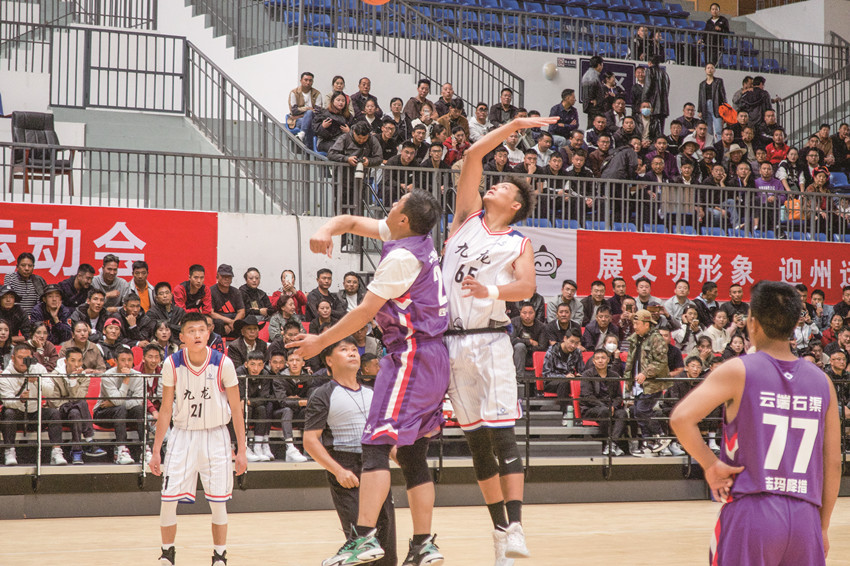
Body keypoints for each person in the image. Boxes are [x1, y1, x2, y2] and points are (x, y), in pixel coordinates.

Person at [291, 189, 449, 566]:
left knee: (376, 444)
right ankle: (423, 543)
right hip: (435, 356)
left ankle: (363, 538)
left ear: (404, 219)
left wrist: (320, 342)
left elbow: (364, 313)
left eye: (397, 203)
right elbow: (348, 221)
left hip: (411, 355)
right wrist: (326, 229)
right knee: (412, 453)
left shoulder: (400, 258)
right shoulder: (416, 238)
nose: (391, 204)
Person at [442, 116, 554, 566]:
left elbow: (526, 288)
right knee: (476, 445)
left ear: (515, 204)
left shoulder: (518, 242)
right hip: (451, 343)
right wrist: (517, 124)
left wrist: (489, 291)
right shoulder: (465, 219)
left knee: (502, 435)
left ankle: (518, 525)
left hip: (490, 341)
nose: (495, 184)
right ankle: (499, 532)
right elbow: (473, 154)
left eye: (504, 186)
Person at [671, 281, 840, 566]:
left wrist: (711, 465)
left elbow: (680, 418)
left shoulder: (738, 370)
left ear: (753, 323)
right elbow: (833, 463)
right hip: (806, 515)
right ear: (794, 324)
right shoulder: (823, 382)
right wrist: (821, 527)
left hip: (752, 511)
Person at [149, 312, 248, 566]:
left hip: (216, 435)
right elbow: (166, 409)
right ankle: (167, 552)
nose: (196, 335)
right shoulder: (172, 363)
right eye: (191, 331)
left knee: (218, 502)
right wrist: (156, 450)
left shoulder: (223, 363)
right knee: (168, 498)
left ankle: (219, 555)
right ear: (182, 337)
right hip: (183, 435)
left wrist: (242, 450)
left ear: (208, 333)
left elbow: (237, 409)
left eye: (201, 330)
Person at [303, 337, 397, 566]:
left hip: (377, 466)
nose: (352, 353)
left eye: (354, 349)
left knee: (386, 541)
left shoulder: (373, 393)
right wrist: (338, 471)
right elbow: (310, 441)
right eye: (344, 350)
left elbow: (385, 437)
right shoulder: (322, 394)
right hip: (347, 468)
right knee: (360, 544)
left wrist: (404, 459)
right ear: (329, 360)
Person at [1, 343, 62, 466]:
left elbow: (50, 392)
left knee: (54, 413)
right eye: (20, 357)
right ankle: (9, 451)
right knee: (8, 413)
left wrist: (36, 382)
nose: (23, 361)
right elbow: (7, 401)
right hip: (17, 413)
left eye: (27, 358)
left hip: (35, 412)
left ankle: (56, 452)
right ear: (13, 358)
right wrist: (20, 400)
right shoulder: (5, 375)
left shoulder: (39, 369)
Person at [624, 309, 672, 455]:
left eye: (637, 324)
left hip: (652, 383)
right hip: (637, 383)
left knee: (642, 410)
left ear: (646, 324)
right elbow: (630, 361)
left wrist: (645, 373)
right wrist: (628, 381)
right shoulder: (635, 338)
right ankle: (647, 444)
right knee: (638, 413)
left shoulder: (656, 338)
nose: (634, 327)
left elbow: (661, 362)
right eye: (633, 323)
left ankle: (661, 436)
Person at [94, 346, 145, 465]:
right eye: (123, 360)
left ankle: (145, 448)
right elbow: (118, 402)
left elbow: (138, 401)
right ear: (116, 361)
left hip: (122, 413)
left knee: (139, 409)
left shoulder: (138, 376)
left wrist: (113, 403)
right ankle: (122, 450)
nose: (127, 363)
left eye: (129, 360)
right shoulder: (108, 376)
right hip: (103, 413)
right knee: (120, 408)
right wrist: (126, 379)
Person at [580, 348, 627, 456]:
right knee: (605, 411)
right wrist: (605, 406)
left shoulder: (614, 375)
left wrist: (613, 406)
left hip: (610, 407)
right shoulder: (587, 375)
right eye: (597, 358)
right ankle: (607, 443)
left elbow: (618, 397)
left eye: (603, 358)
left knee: (622, 413)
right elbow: (588, 396)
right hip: (591, 408)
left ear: (608, 360)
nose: (600, 361)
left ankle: (612, 444)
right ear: (593, 361)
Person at [209, 264, 246, 339]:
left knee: (245, 322)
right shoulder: (211, 291)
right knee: (217, 323)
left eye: (229, 277)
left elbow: (241, 312)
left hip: (234, 320)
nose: (226, 279)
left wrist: (234, 323)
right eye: (223, 277)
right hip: (219, 321)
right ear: (217, 276)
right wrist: (229, 322)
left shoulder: (236, 292)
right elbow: (211, 313)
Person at [697, 63, 726, 137]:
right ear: (705, 70)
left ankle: (719, 143)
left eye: (712, 68)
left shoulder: (718, 81)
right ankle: (710, 144)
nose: (710, 70)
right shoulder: (702, 84)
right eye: (708, 68)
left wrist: (725, 107)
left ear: (714, 70)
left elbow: (723, 95)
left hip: (716, 105)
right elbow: (700, 98)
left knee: (719, 129)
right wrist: (700, 110)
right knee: (708, 130)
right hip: (705, 106)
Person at [642, 55, 670, 132]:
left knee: (649, 129)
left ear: (650, 62)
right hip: (663, 107)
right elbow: (667, 90)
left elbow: (647, 87)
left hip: (652, 105)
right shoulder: (665, 74)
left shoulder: (649, 71)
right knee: (660, 130)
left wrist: (644, 102)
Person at [580, 56, 604, 122]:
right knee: (594, 124)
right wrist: (593, 100)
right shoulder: (592, 75)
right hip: (594, 108)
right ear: (599, 65)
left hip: (593, 108)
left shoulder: (589, 73)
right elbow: (591, 88)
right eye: (602, 65)